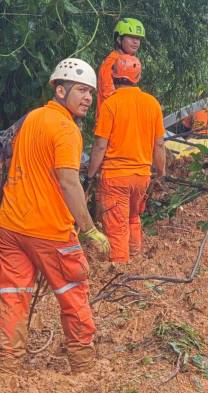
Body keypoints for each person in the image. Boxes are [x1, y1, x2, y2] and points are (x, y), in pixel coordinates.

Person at [0, 58, 110, 379]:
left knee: (11, 296)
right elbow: (68, 181)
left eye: (90, 92)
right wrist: (89, 229)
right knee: (74, 294)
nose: (87, 98)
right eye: (80, 90)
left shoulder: (33, 118)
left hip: (9, 226)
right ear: (60, 90)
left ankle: (7, 370)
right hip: (49, 231)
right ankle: (84, 369)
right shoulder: (66, 129)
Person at [87, 55, 166, 264]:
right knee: (133, 219)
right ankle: (136, 262)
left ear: (113, 75)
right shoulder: (152, 104)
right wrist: (161, 172)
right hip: (141, 177)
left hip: (115, 178)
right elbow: (159, 145)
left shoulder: (110, 104)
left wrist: (90, 174)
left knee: (116, 226)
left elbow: (100, 145)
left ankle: (120, 271)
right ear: (138, 76)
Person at [96, 17, 145, 120]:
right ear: (119, 39)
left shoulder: (131, 62)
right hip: (109, 122)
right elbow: (109, 95)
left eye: (138, 38)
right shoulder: (111, 62)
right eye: (131, 37)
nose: (136, 42)